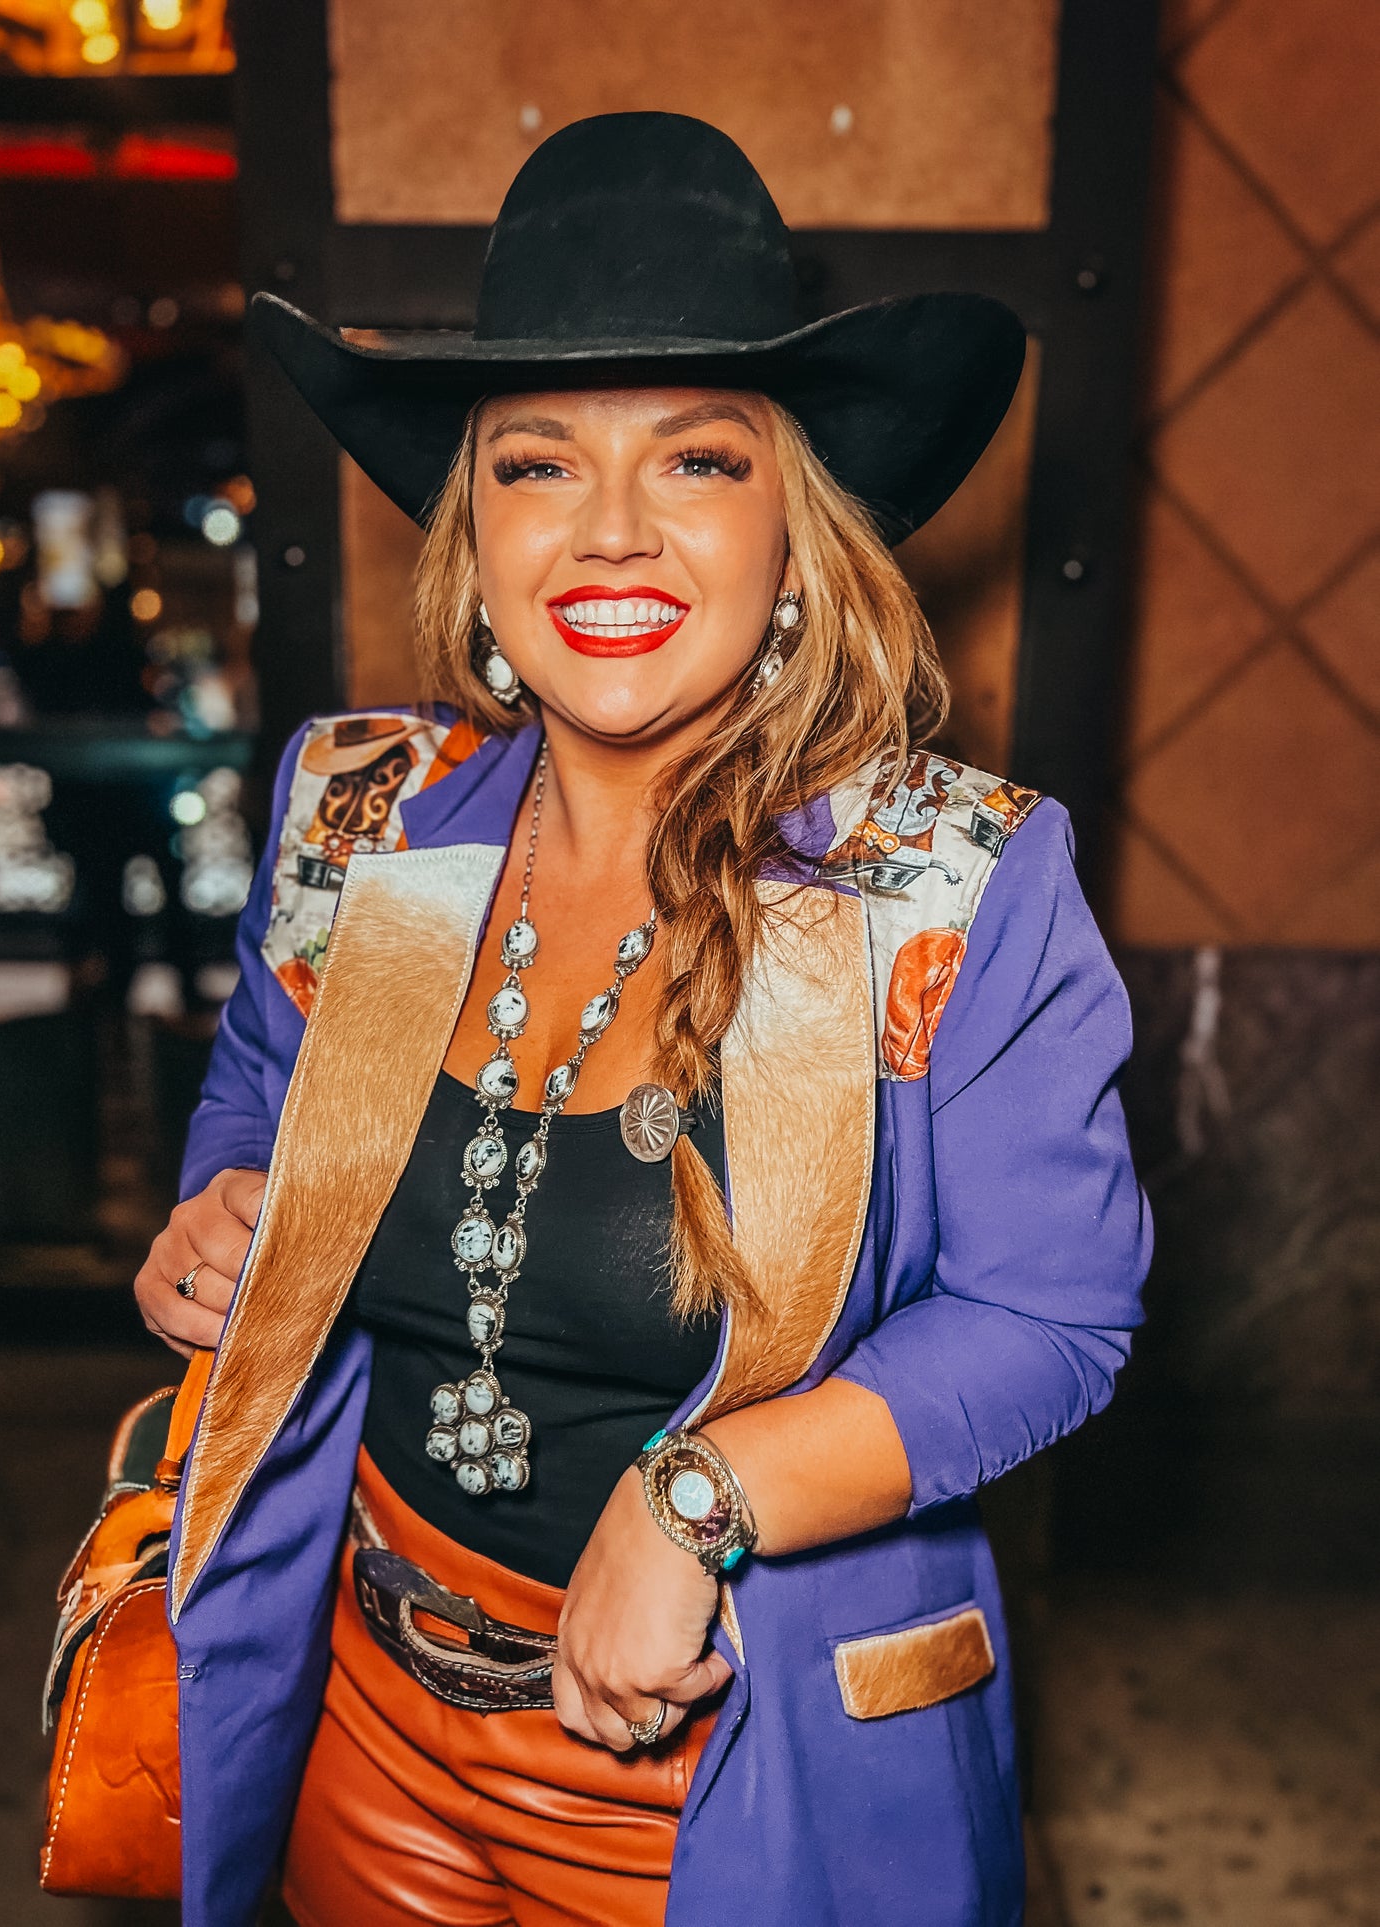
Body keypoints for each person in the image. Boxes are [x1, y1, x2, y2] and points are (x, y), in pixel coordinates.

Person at [134, 113, 1150, 1927]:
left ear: (796, 520)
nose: (609, 529)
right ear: (476, 524)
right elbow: (256, 1089)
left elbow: (1049, 1317)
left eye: (693, 458)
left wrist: (702, 1498)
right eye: (537, 465)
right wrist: (219, 1209)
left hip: (740, 1772)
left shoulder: (953, 885)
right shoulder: (353, 806)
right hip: (364, 1726)